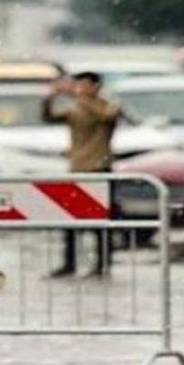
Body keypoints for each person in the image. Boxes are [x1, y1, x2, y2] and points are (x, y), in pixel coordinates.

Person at [42, 72, 122, 277]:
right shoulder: (75, 109)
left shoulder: (107, 106)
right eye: (78, 85)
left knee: (101, 222)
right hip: (77, 168)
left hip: (99, 168)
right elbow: (49, 117)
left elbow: (105, 116)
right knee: (69, 220)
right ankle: (69, 263)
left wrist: (79, 98)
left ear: (96, 87)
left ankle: (103, 264)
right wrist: (49, 96)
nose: (80, 90)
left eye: (85, 85)